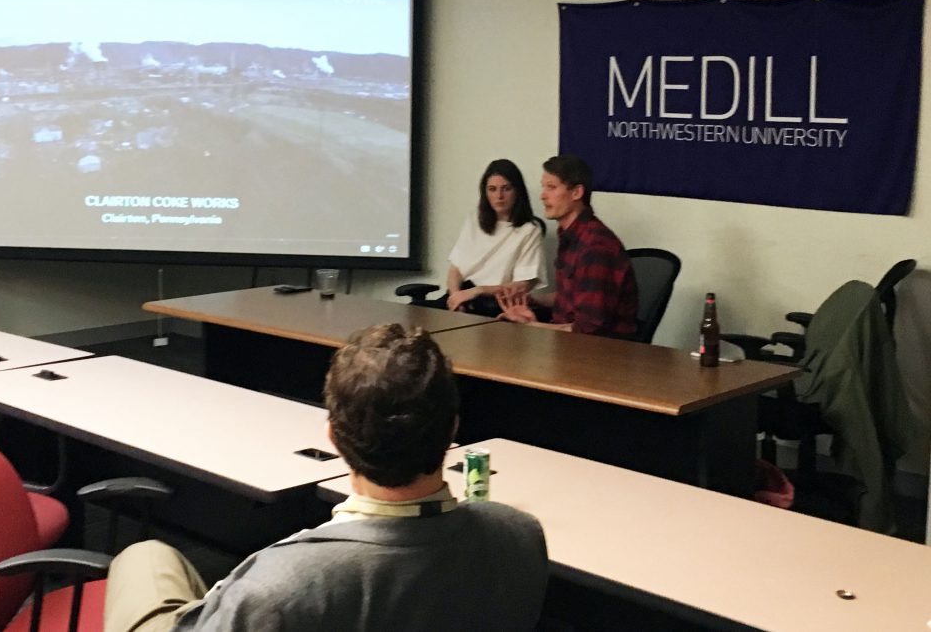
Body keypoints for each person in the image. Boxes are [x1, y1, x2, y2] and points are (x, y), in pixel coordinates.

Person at [103, 324, 549, 632]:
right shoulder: (520, 535)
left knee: (145, 557)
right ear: (453, 431)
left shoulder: (280, 585)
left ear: (333, 437)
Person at [497, 154, 638, 338]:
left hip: (601, 353)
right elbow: (571, 298)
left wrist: (531, 325)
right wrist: (530, 300)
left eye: (552, 187)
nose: (543, 196)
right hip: (569, 343)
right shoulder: (571, 235)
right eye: (543, 187)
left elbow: (588, 329)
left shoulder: (595, 246)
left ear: (577, 192)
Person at [440, 159, 546, 315]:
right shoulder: (475, 220)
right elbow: (456, 269)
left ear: (518, 191)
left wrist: (478, 291)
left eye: (506, 189)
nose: (499, 196)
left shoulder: (529, 230)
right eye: (492, 189)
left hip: (494, 304)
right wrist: (456, 297)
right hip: (461, 295)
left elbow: (522, 285)